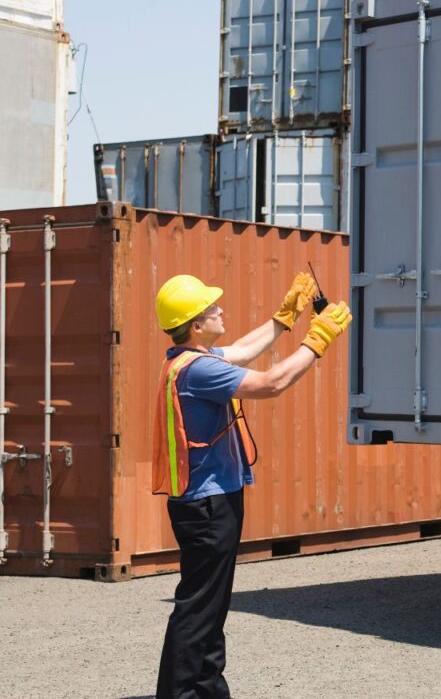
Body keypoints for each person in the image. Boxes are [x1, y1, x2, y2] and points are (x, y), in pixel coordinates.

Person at [151, 272, 352, 699]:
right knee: (200, 607)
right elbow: (270, 383)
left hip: (208, 501)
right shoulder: (200, 369)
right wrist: (317, 339)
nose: (220, 309)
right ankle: (182, 693)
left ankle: (206, 689)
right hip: (207, 507)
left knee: (210, 604)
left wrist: (285, 318)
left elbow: (243, 350)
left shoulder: (190, 360)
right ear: (195, 324)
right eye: (211, 308)